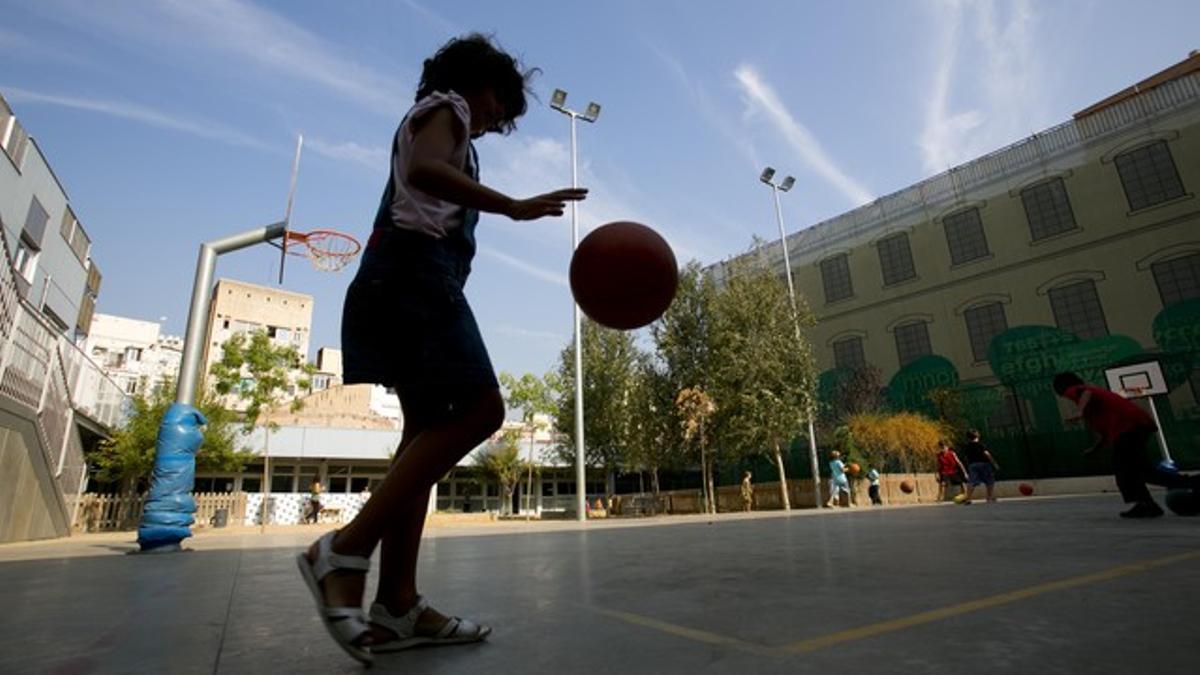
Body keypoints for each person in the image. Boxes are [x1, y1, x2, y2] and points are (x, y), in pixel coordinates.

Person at [297, 34, 587, 664]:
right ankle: (344, 549)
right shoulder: (445, 108)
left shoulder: (447, 122)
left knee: (422, 438)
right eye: (496, 103)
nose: (493, 118)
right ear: (472, 80)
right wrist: (510, 206)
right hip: (412, 277)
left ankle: (398, 605)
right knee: (482, 411)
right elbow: (427, 172)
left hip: (403, 280)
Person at [1052, 372, 1196, 518]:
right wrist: (1094, 449)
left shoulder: (1078, 390)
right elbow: (1107, 433)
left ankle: (1145, 504)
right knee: (1143, 471)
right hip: (1136, 425)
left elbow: (1085, 392)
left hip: (1131, 426)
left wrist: (1080, 412)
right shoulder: (1097, 407)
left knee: (1123, 467)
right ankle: (1191, 483)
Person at [960, 430, 999, 504]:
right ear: (977, 436)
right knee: (989, 480)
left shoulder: (967, 446)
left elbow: (965, 457)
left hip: (973, 465)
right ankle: (989, 497)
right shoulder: (981, 445)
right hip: (984, 464)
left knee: (972, 482)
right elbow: (987, 454)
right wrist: (994, 463)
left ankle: (968, 498)